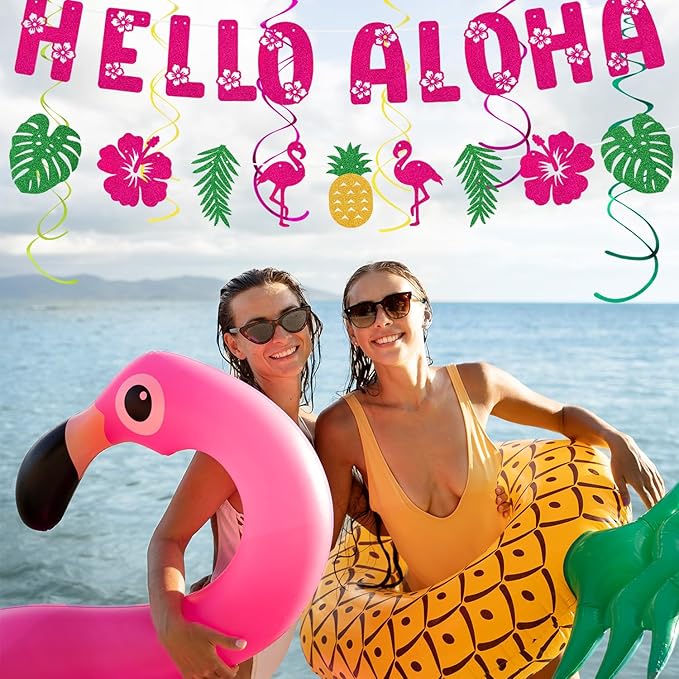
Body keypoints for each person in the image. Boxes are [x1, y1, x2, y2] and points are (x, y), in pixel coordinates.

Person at [315, 260, 666, 679]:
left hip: (525, 616)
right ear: (352, 330)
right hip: (434, 642)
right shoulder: (342, 428)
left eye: (397, 303)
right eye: (363, 311)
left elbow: (562, 417)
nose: (382, 320)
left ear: (424, 312)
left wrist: (617, 439)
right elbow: (323, 533)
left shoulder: (476, 384)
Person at [147, 267, 322, 679]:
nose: (280, 336)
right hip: (227, 643)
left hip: (272, 638)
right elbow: (168, 538)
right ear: (235, 345)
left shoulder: (314, 430)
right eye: (258, 329)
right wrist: (172, 624)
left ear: (309, 324)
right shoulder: (234, 443)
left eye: (292, 318)